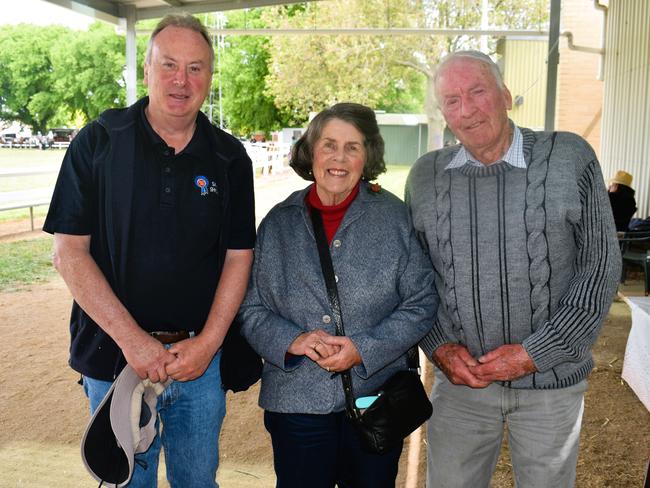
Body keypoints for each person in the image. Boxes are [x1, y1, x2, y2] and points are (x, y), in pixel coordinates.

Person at [43, 14, 255, 488]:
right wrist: (132, 340)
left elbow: (239, 257)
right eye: (169, 65)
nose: (182, 80)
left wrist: (209, 342)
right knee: (126, 483)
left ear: (210, 77)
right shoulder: (99, 141)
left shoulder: (229, 157)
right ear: (146, 70)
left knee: (198, 481)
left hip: (198, 362)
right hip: (114, 357)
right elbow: (69, 253)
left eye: (196, 68)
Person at [405, 51, 621, 488]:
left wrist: (534, 354)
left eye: (477, 92)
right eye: (451, 100)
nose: (465, 110)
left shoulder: (569, 156)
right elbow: (414, 278)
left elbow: (599, 267)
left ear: (505, 95)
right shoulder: (425, 176)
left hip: (551, 383)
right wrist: (440, 348)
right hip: (462, 385)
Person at [239, 102, 437, 488]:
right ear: (311, 151)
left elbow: (422, 301)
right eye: (329, 145)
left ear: (368, 156)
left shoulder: (394, 217)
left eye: (353, 147)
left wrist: (364, 347)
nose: (339, 158)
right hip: (296, 404)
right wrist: (294, 340)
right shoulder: (277, 224)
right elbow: (250, 308)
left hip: (375, 399)